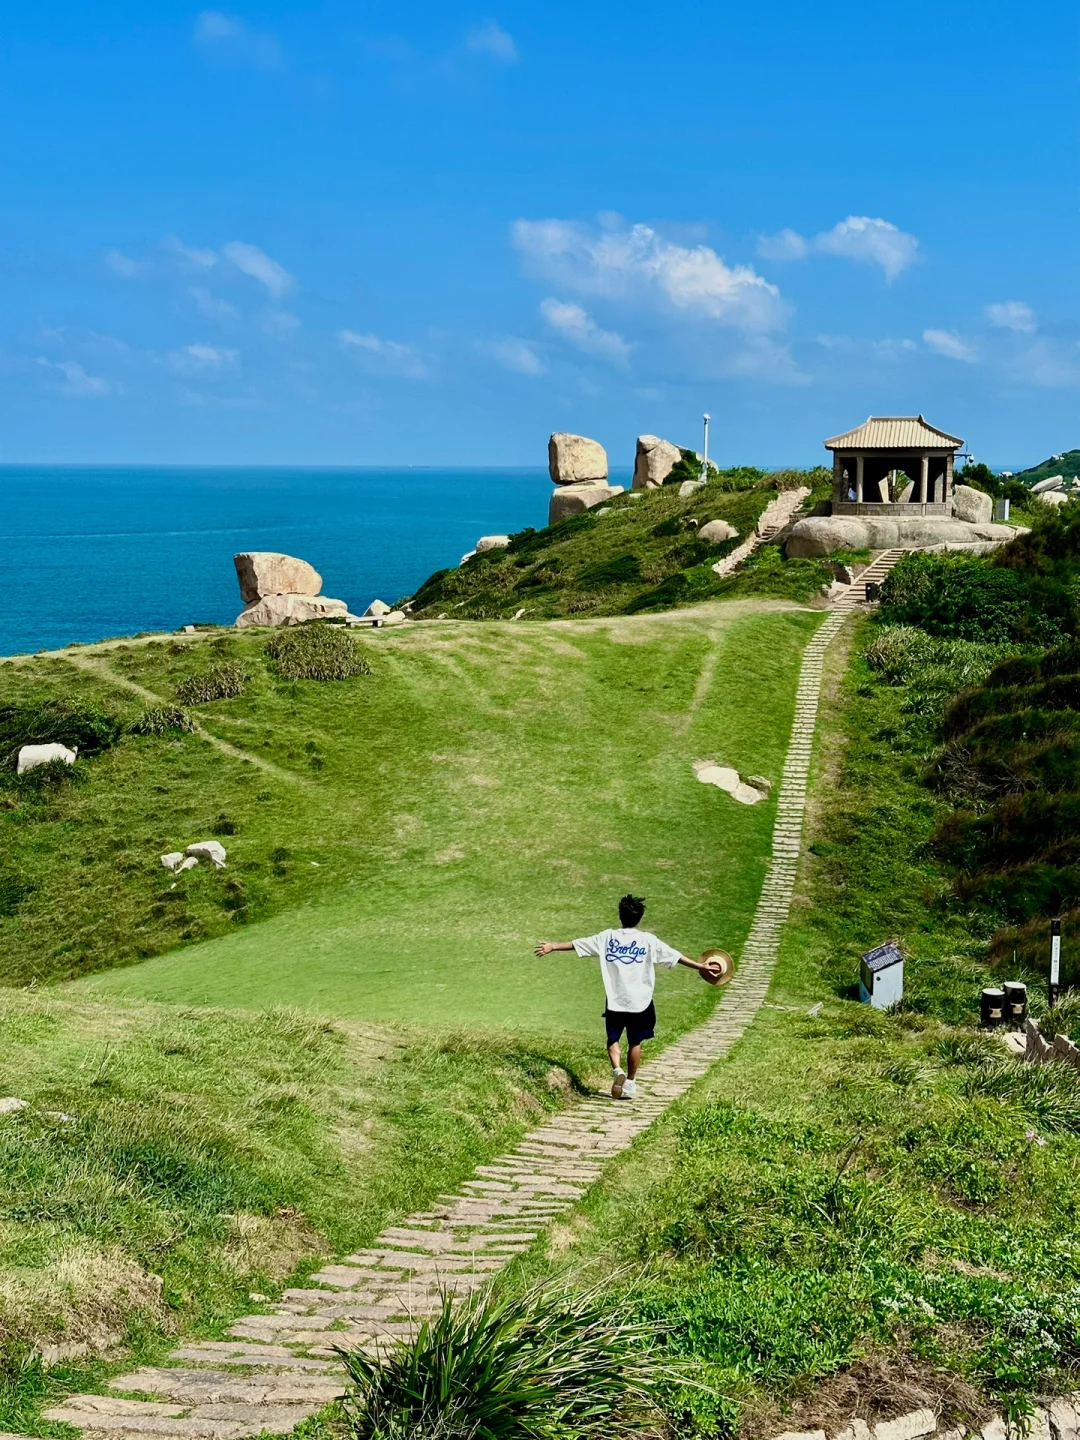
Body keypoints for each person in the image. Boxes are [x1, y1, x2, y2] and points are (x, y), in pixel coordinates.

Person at [534, 894, 721, 1100]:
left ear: (620, 915)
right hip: (640, 1002)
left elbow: (579, 944)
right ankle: (630, 1082)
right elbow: (675, 956)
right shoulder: (648, 940)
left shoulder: (606, 937)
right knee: (635, 1042)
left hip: (615, 1000)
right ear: (639, 917)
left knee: (613, 1039)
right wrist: (700, 966)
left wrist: (553, 946)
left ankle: (617, 1071)